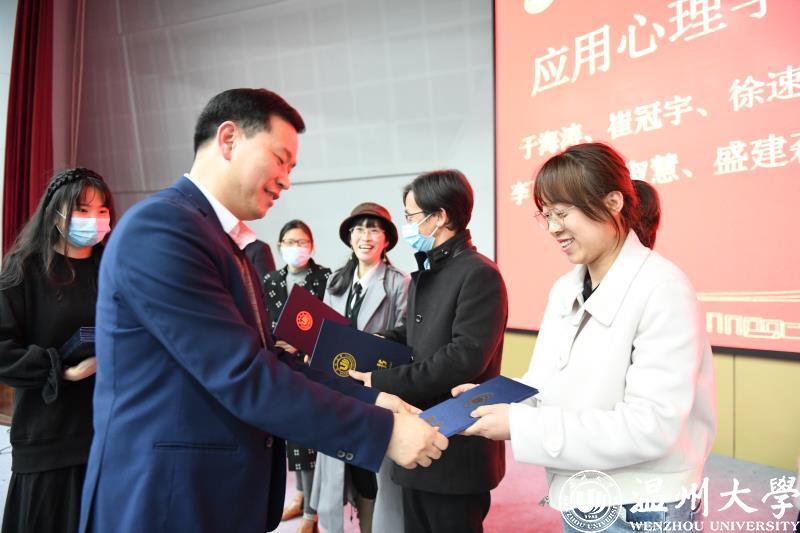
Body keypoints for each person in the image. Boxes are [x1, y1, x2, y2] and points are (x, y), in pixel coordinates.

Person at [78, 88, 448, 533]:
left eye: (292, 168)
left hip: (207, 493)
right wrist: (382, 430)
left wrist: (374, 399)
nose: (286, 181)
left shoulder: (222, 241)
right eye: (280, 160)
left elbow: (269, 359)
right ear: (229, 139)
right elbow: (243, 375)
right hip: (166, 497)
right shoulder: (162, 229)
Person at [459, 142, 716, 533]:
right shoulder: (566, 287)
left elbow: (651, 427)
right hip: (584, 487)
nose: (553, 228)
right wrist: (494, 397)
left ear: (613, 203)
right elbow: (546, 381)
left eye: (562, 213)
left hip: (644, 500)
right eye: (546, 215)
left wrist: (521, 426)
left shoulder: (662, 287)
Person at [349, 170, 508, 533]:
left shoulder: (479, 274)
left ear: (439, 217)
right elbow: (414, 335)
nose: (407, 225)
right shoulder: (429, 271)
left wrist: (381, 380)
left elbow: (463, 359)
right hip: (419, 435)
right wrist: (366, 343)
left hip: (456, 443)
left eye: (411, 216)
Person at [0, 168, 115, 533]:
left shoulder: (113, 268)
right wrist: (62, 371)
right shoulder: (24, 269)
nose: (94, 219)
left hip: (108, 432)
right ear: (55, 214)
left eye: (102, 210)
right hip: (47, 436)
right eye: (82, 209)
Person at [311, 202, 410, 533]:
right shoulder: (336, 281)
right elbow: (323, 332)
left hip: (375, 391)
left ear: (386, 239)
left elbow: (405, 339)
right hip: (338, 390)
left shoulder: (398, 282)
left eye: (373, 230)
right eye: (358, 229)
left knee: (372, 472)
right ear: (349, 237)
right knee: (343, 465)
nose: (365, 237)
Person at [262, 219, 331, 532]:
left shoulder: (326, 278)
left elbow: (332, 323)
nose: (296, 247)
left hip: (313, 365)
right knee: (291, 437)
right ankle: (301, 495)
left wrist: (304, 346)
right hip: (281, 366)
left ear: (311, 246)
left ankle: (311, 514)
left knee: (311, 439)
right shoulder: (271, 280)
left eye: (302, 242)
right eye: (290, 242)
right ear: (280, 246)